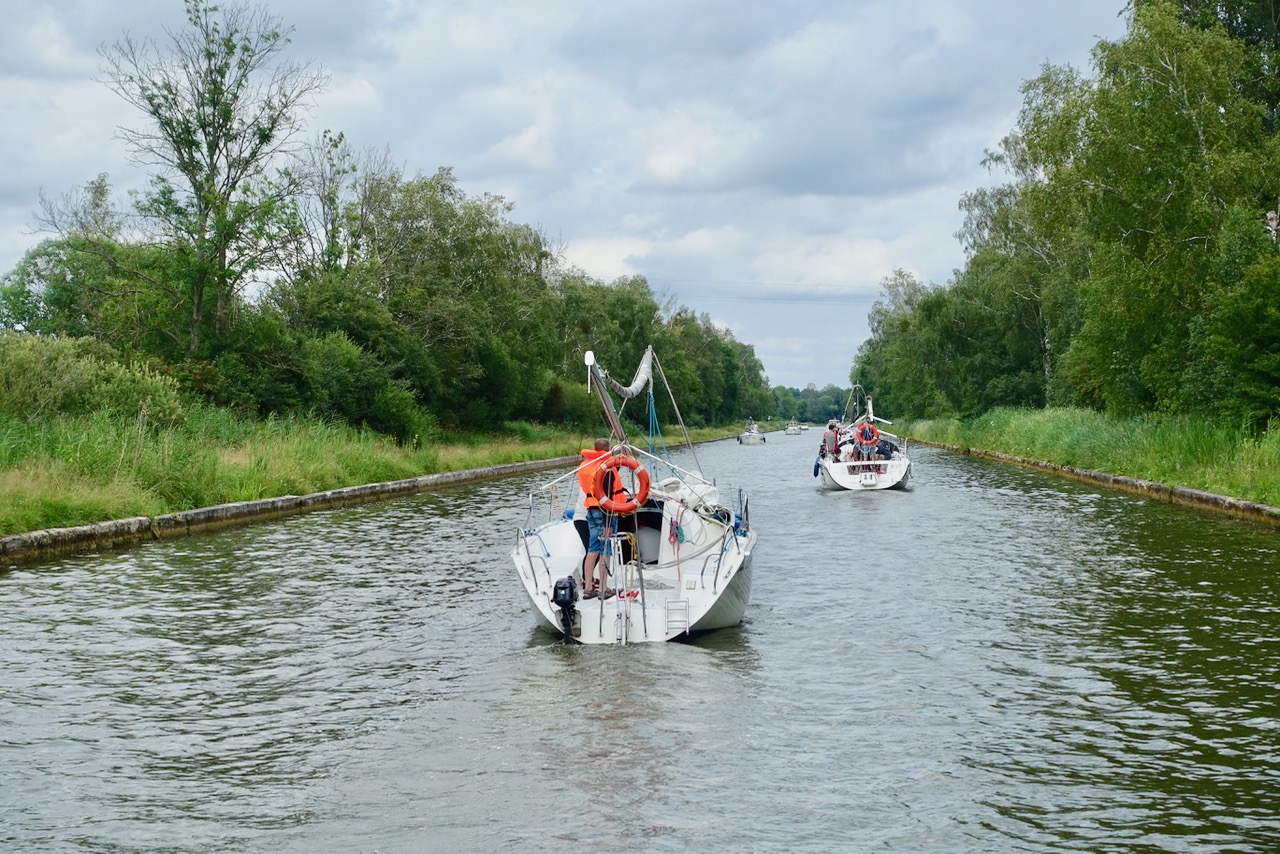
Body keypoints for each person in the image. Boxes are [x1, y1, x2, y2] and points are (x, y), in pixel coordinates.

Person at [575, 438, 614, 599]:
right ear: (608, 451)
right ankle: (604, 588)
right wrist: (608, 522)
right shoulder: (605, 469)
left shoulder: (586, 467)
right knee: (605, 550)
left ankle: (588, 586)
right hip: (602, 512)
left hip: (588, 511)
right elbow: (607, 495)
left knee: (592, 550)